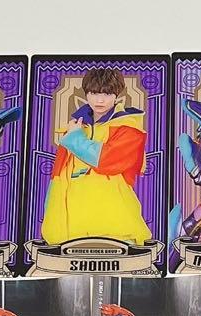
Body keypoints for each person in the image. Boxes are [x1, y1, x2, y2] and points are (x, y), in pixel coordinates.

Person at [40, 67, 150, 248]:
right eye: (94, 93)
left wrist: (75, 138)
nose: (100, 100)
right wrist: (52, 225)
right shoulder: (75, 128)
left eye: (106, 94)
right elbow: (58, 177)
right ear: (86, 94)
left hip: (115, 226)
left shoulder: (129, 128)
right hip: (72, 230)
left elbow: (107, 160)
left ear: (116, 95)